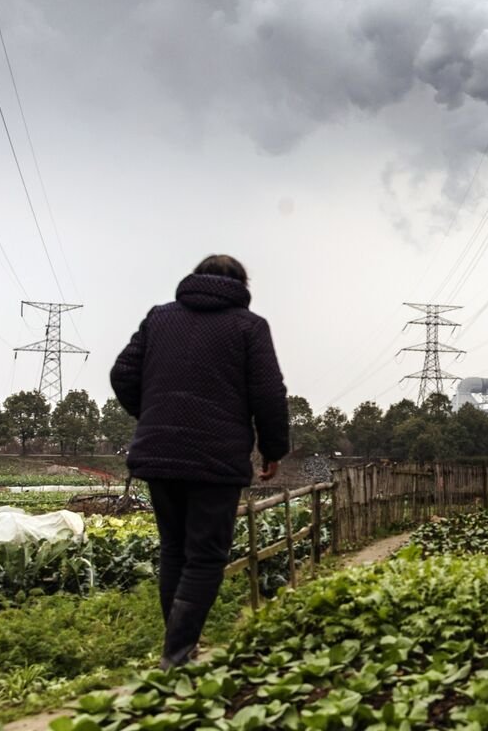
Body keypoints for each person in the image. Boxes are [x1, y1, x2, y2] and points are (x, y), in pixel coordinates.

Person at [110, 254, 289, 669]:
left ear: (195, 278)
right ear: (242, 284)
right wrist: (273, 449)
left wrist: (153, 416)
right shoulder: (249, 327)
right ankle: (177, 655)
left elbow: (122, 374)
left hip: (160, 454)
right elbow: (269, 393)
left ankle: (178, 649)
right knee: (206, 556)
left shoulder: (159, 318)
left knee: (174, 550)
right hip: (216, 458)